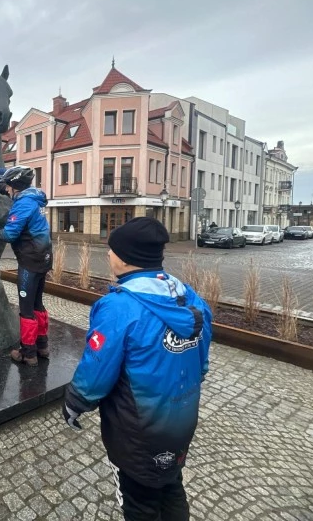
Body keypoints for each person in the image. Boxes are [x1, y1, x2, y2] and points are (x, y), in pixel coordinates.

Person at [62, 217, 212, 521]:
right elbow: (202, 360)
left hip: (136, 429)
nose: (108, 255)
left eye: (112, 250)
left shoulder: (119, 307)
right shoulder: (189, 297)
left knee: (139, 501)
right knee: (170, 484)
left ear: (126, 258)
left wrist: (75, 402)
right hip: (181, 418)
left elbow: (97, 368)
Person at [0, 166, 52, 366]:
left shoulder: (23, 205)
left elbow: (9, 235)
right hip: (44, 258)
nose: (7, 190)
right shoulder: (34, 196)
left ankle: (28, 353)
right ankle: (42, 346)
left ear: (15, 187)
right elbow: (5, 187)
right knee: (38, 304)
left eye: (8, 186)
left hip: (29, 261)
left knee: (26, 308)